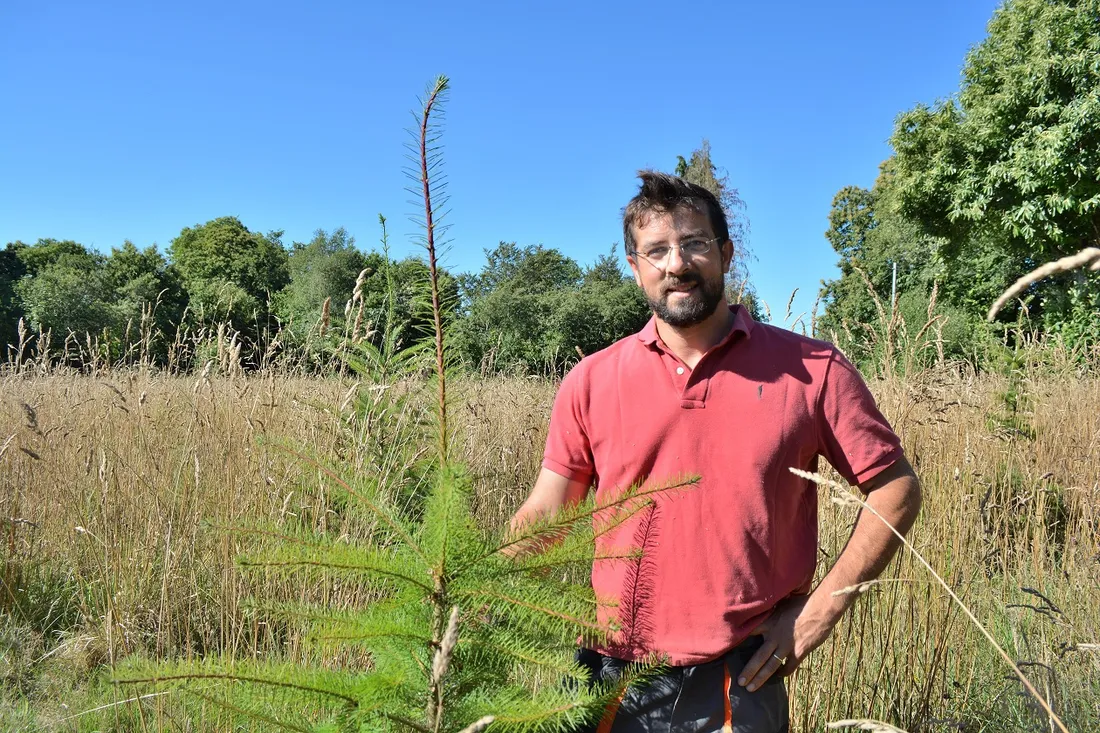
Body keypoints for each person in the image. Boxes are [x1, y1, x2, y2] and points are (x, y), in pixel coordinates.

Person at [507, 171, 923, 733]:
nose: (676, 264)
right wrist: (466, 578)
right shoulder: (591, 380)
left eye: (694, 243)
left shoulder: (813, 371)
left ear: (726, 254)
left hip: (739, 678)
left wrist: (819, 610)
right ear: (635, 268)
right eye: (656, 251)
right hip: (607, 674)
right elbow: (549, 510)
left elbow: (896, 488)